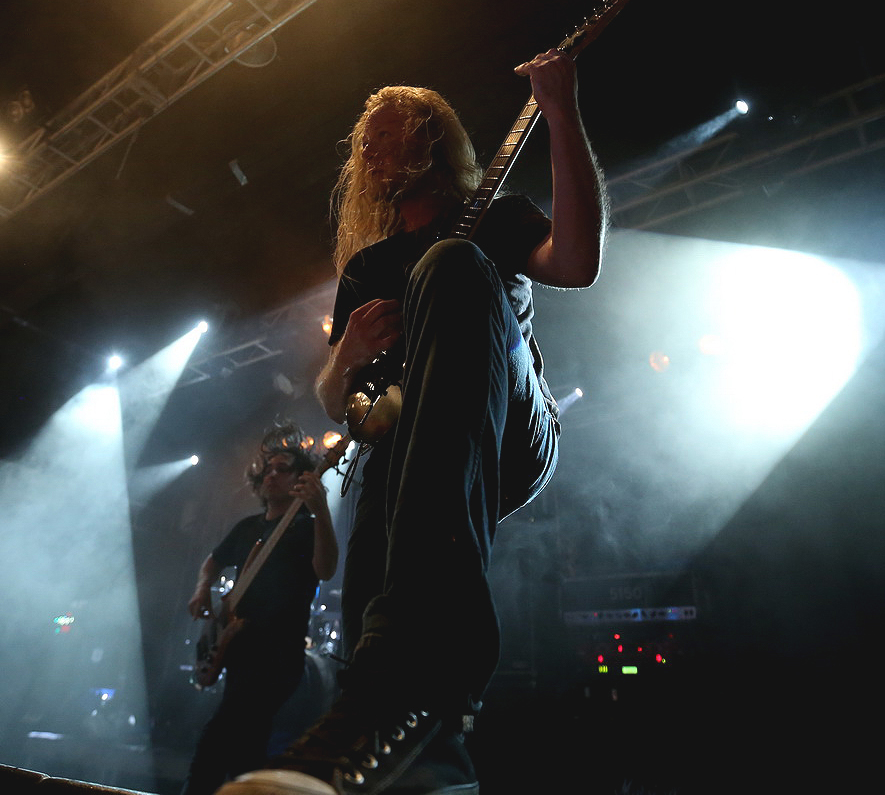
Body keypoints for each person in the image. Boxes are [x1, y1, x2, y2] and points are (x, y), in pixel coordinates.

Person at [218, 49, 605, 795]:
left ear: (433, 138)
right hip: (405, 445)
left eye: (389, 132)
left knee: (452, 264)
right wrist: (345, 358)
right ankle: (411, 746)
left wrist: (559, 110)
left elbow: (577, 261)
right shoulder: (366, 268)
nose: (371, 149)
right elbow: (339, 405)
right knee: (377, 566)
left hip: (510, 428)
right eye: (364, 141)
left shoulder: (494, 217)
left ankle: (409, 688)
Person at [181, 424, 340, 795]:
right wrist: (203, 590)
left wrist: (321, 513)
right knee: (247, 746)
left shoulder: (306, 527)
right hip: (239, 649)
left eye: (283, 469)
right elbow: (212, 562)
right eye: (268, 468)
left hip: (277, 654)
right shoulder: (247, 528)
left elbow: (326, 569)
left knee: (218, 739)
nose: (271, 474)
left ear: (301, 479)